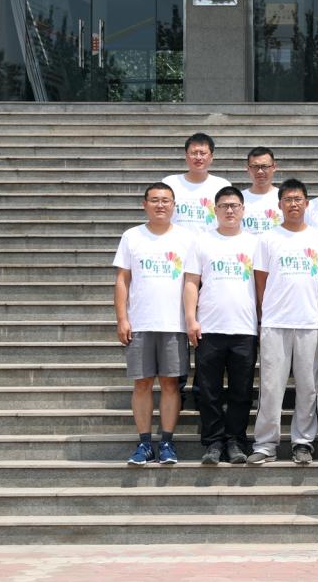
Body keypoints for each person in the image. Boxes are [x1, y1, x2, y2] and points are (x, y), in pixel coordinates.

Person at [247, 179, 318, 465]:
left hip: (308, 322)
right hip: (275, 322)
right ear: (279, 204)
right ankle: (265, 444)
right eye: (288, 200)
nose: (294, 204)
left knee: (307, 387)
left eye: (298, 199)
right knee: (271, 387)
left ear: (307, 203)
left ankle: (303, 442)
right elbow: (260, 282)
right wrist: (265, 315)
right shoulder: (267, 238)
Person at [114, 182, 195, 465]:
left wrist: (192, 318)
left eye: (166, 200)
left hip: (174, 324)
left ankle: (168, 443)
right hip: (141, 323)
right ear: (145, 204)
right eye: (155, 200)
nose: (160, 205)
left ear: (174, 205)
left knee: (171, 384)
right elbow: (122, 279)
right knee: (142, 383)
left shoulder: (187, 238)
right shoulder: (132, 236)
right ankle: (145, 443)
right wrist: (122, 318)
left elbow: (193, 281)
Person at [183, 186, 259, 465]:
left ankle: (236, 441)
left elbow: (261, 285)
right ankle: (213, 442)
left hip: (245, 328)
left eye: (234, 205)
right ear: (215, 210)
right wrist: (191, 318)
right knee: (209, 390)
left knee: (241, 390)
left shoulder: (255, 243)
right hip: (209, 327)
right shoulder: (202, 241)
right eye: (224, 205)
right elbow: (191, 282)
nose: (229, 210)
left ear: (243, 210)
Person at [162, 132, 231, 233]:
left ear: (211, 157)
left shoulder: (222, 185)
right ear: (186, 156)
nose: (198, 158)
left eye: (203, 153)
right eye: (194, 153)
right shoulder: (170, 183)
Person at [241, 146, 282, 236]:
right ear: (248, 169)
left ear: (274, 167)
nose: (260, 171)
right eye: (255, 167)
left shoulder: (283, 198)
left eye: (265, 166)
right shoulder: (239, 199)